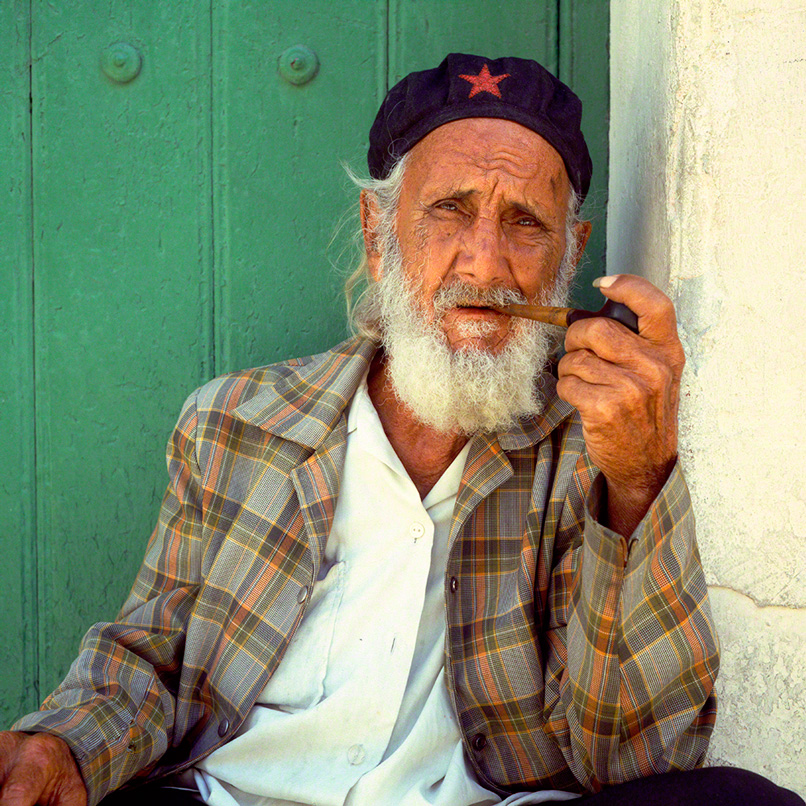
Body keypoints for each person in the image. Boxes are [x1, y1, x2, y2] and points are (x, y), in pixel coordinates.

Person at [1, 53, 801, 806]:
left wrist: (637, 479)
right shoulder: (236, 422)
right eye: (449, 212)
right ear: (380, 231)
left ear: (571, 253)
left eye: (525, 224)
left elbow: (637, 761)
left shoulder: (587, 452)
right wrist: (63, 745)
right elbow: (147, 658)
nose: (485, 264)